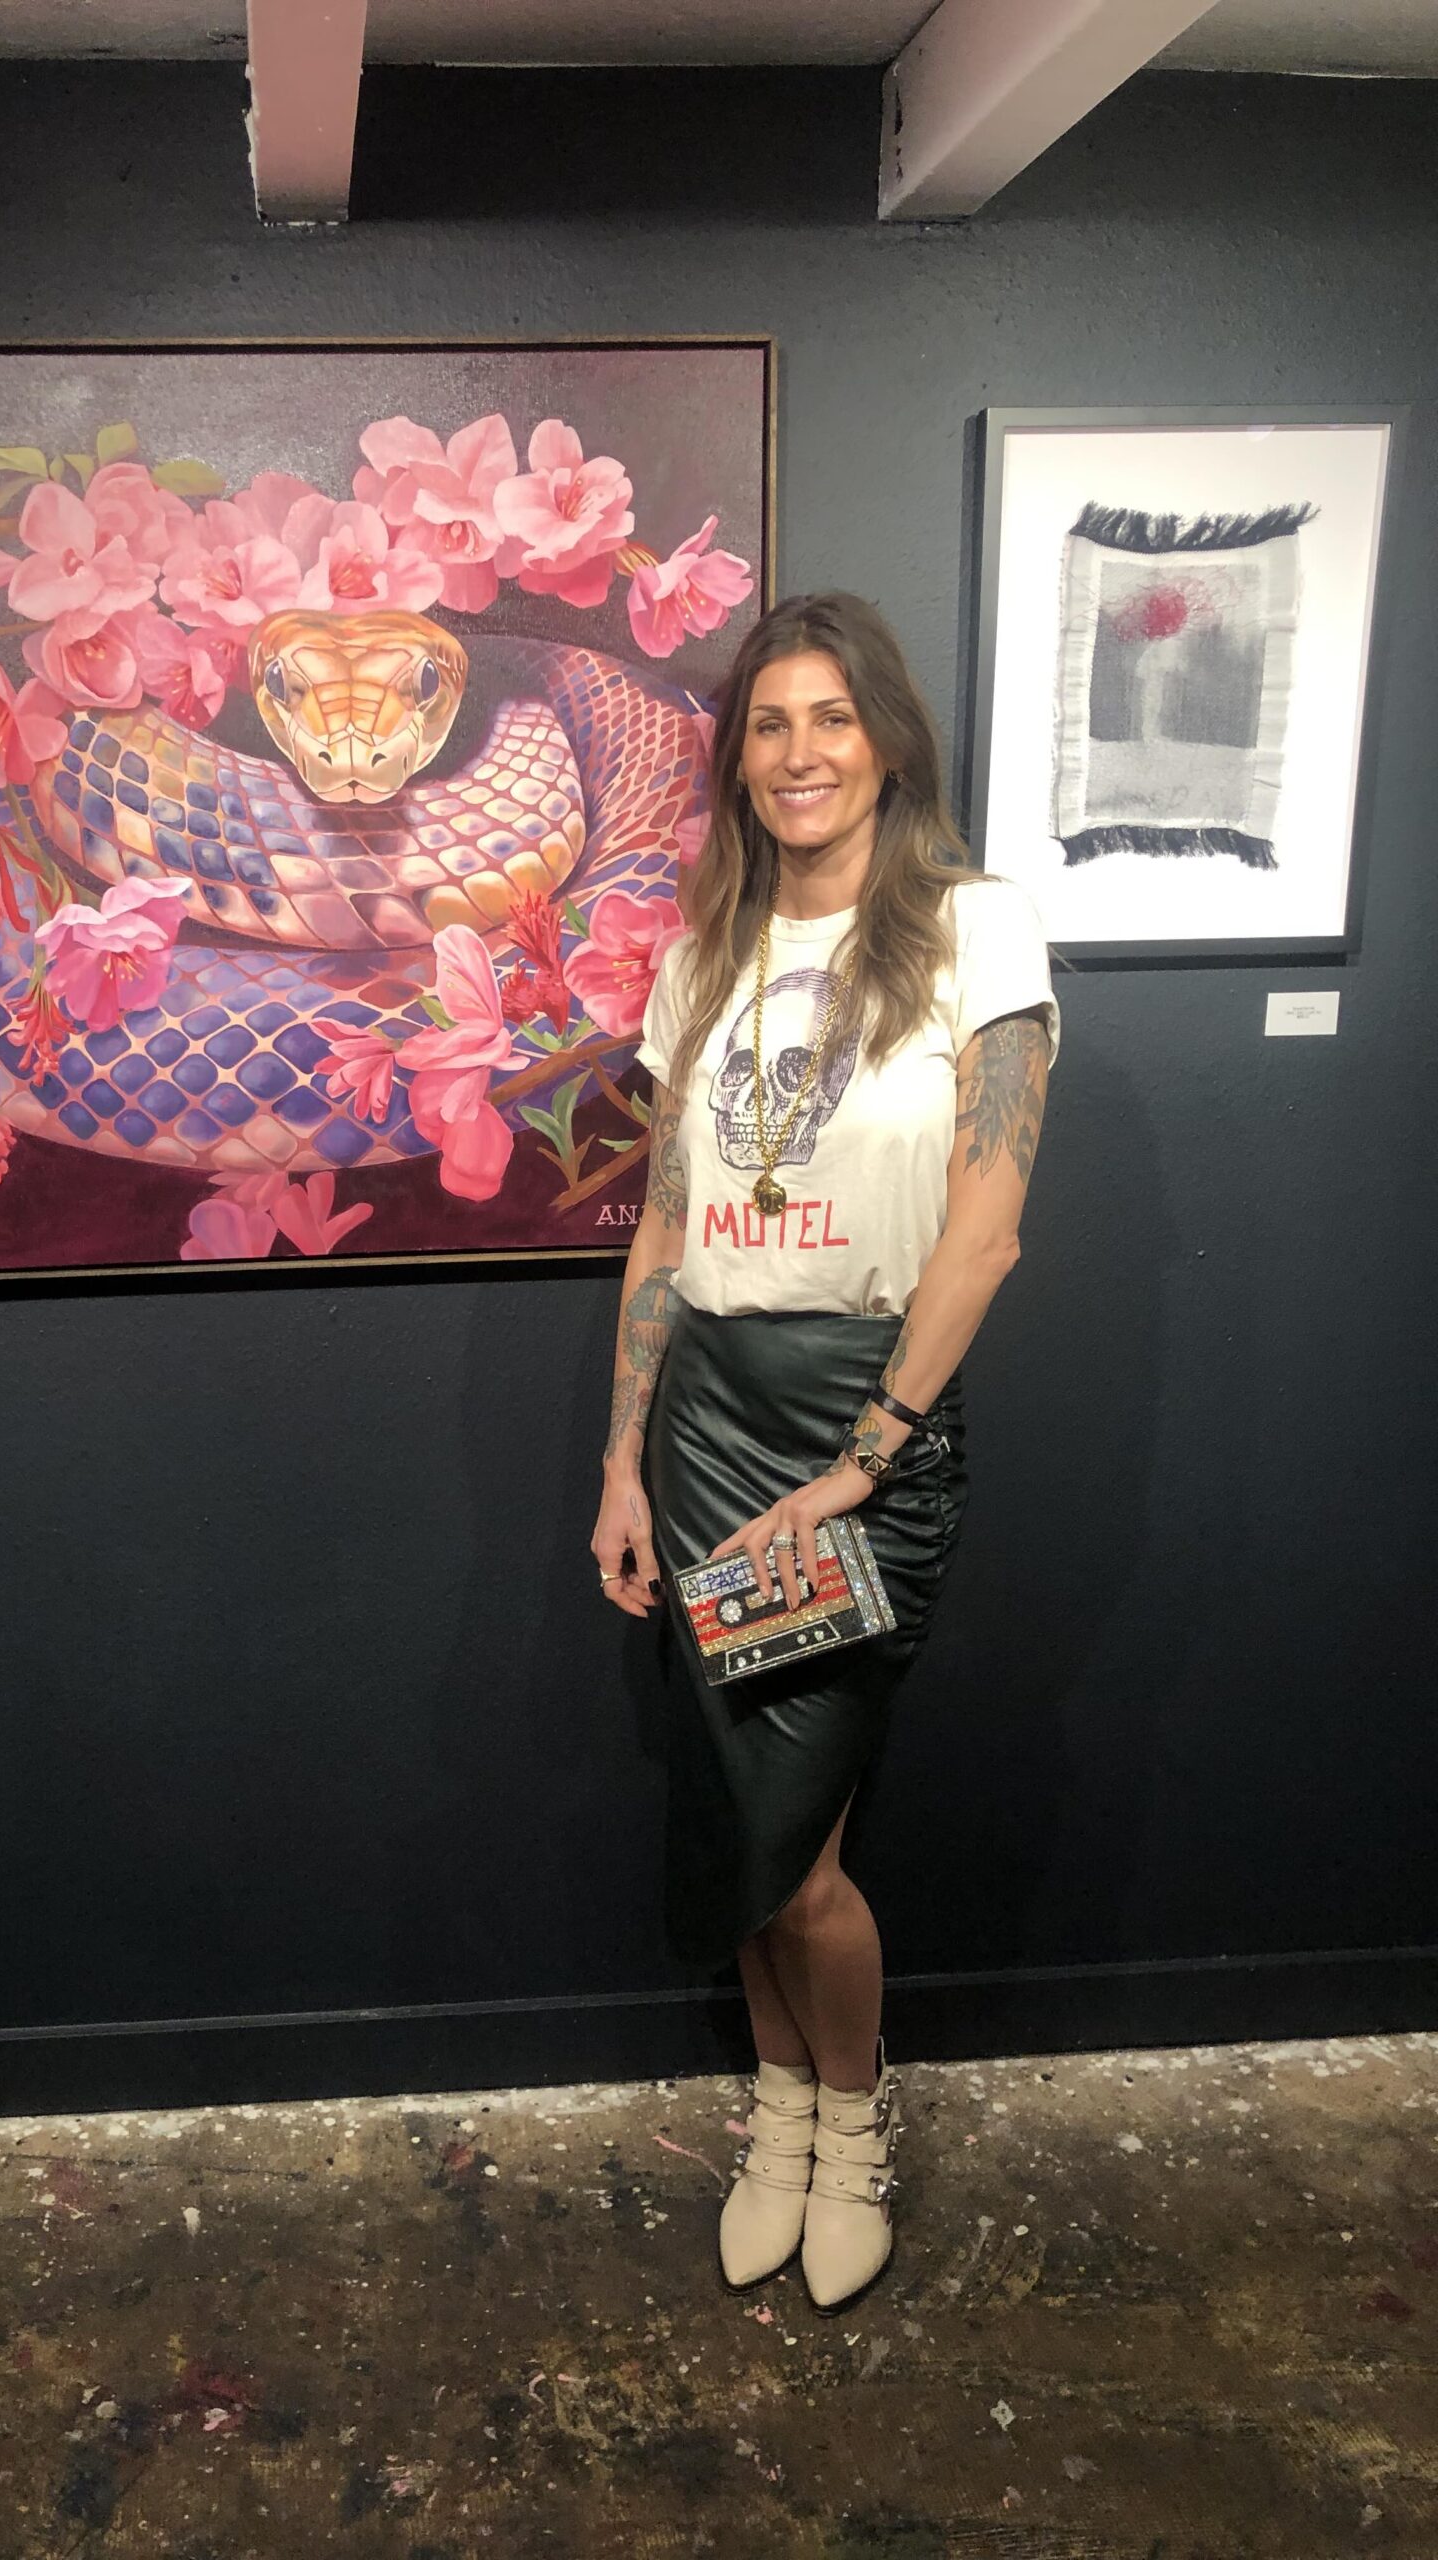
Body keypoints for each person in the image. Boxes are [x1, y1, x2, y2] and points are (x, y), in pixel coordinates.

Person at [592, 592, 1058, 2309]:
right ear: (738, 759)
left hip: (867, 1423)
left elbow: (986, 1234)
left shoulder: (976, 934)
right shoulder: (702, 957)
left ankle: (850, 2126)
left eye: (832, 719)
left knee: (808, 1845)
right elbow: (661, 1231)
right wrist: (623, 1463)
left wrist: (867, 1457)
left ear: (887, 741)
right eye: (770, 725)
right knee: (740, 1817)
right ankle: (779, 2114)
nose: (800, 754)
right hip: (708, 1421)